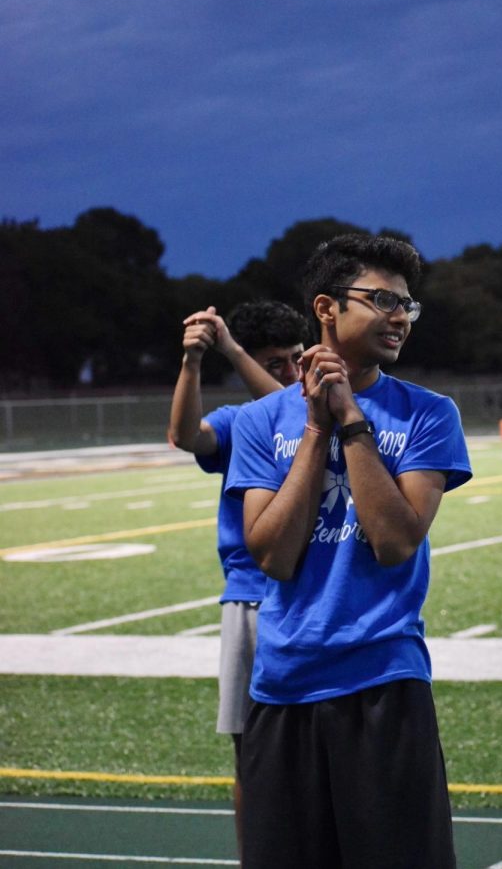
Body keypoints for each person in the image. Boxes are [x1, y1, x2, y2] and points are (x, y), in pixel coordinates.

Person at [226, 235, 472, 869]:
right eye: (383, 299)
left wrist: (352, 418)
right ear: (327, 308)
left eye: (408, 305)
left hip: (384, 684)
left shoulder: (429, 414)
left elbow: (394, 541)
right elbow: (274, 558)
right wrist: (315, 426)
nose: (400, 316)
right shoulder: (261, 422)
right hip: (282, 688)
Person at [168, 300, 308, 854]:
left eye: (297, 357)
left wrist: (232, 349)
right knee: (251, 756)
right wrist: (193, 362)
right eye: (277, 363)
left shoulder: (310, 409)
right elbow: (185, 435)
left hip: (309, 594)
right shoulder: (239, 423)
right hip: (251, 599)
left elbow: (290, 404)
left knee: (317, 748)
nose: (293, 372)